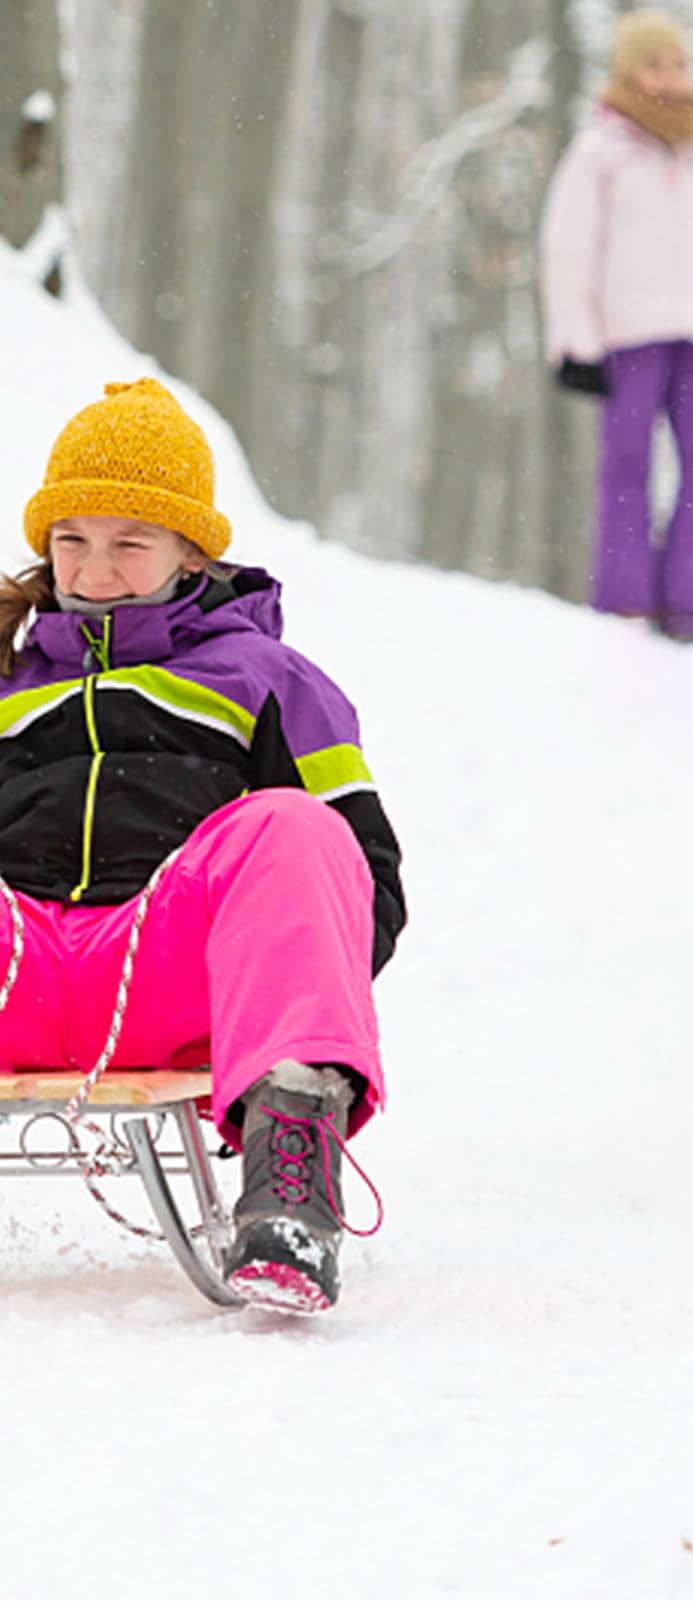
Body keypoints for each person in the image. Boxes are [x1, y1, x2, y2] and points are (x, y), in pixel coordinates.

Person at [0, 378, 406, 1314]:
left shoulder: (267, 681)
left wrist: (271, 993)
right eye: (72, 542)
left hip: (167, 971)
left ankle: (291, 1179)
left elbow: (361, 884)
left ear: (190, 552)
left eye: (129, 544)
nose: (95, 572)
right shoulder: (11, 676)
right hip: (19, 968)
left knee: (299, 825)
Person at [539, 9, 693, 640]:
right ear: (627, 71)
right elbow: (569, 246)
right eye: (653, 64)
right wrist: (575, 342)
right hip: (627, 332)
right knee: (627, 464)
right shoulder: (601, 149)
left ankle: (690, 609)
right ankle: (625, 603)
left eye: (676, 64)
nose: (667, 77)